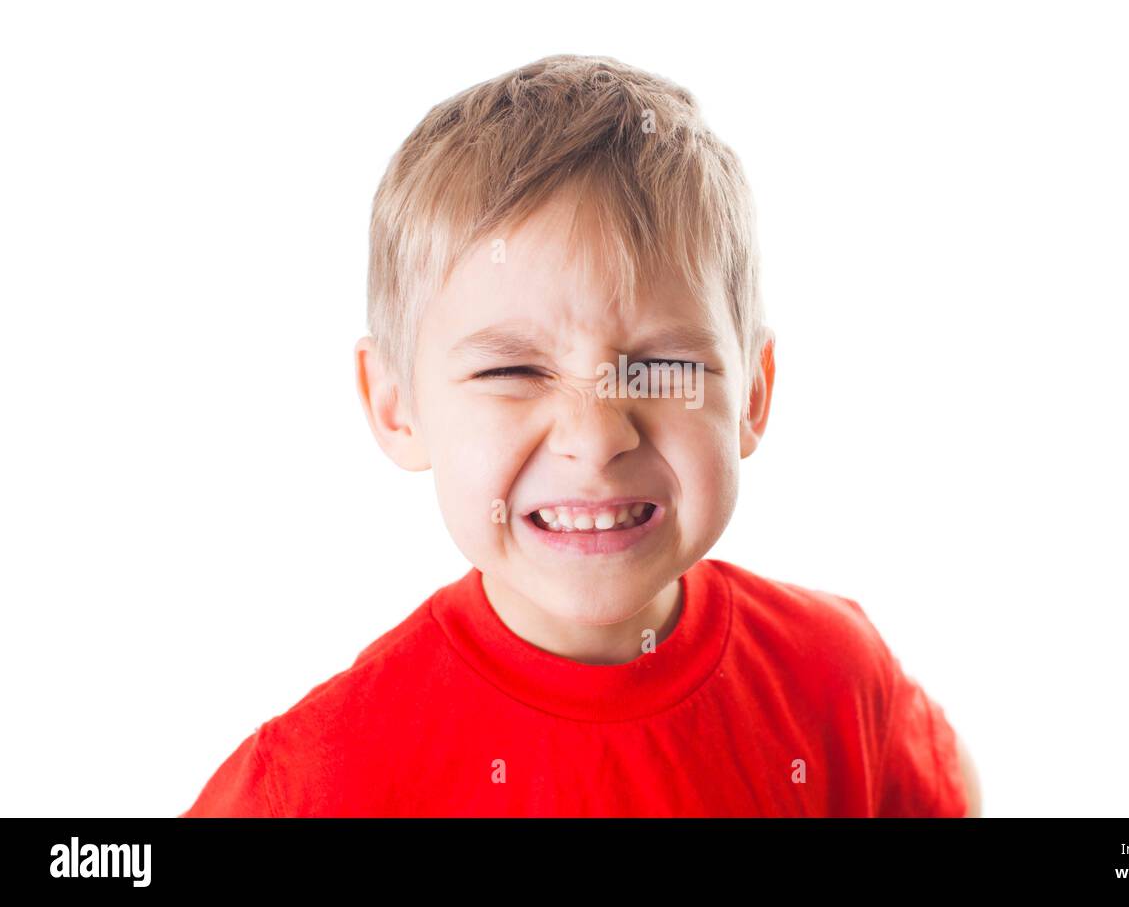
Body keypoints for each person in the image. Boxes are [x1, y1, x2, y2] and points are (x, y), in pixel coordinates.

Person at [182, 54, 981, 817]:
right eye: (513, 373)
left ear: (753, 393)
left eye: (662, 367)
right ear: (395, 405)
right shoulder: (321, 778)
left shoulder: (834, 678)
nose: (595, 437)